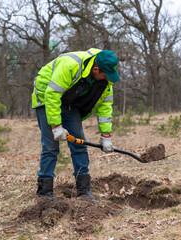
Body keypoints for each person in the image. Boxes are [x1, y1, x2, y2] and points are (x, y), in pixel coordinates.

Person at [31, 48, 119, 203]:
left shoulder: (106, 81)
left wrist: (106, 136)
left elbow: (105, 107)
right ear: (96, 69)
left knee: (79, 144)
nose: (107, 79)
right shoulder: (71, 65)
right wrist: (56, 126)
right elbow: (52, 94)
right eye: (105, 75)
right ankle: (44, 194)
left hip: (70, 101)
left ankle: (84, 191)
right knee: (51, 146)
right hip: (47, 96)